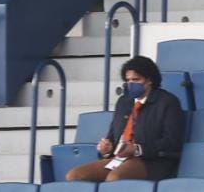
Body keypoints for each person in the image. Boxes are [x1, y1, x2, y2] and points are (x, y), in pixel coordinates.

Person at [67, 55, 185, 183]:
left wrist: (137, 149)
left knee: (115, 178)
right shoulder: (124, 102)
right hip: (119, 159)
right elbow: (113, 135)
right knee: (74, 175)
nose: (131, 84)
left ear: (149, 80)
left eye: (136, 80)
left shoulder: (167, 102)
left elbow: (172, 141)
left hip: (150, 161)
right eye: (128, 81)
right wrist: (106, 150)